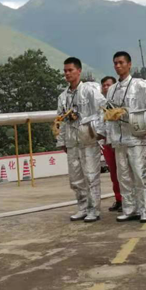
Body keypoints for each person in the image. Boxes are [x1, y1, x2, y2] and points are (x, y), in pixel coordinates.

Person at [104, 52, 146, 223]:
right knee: (124, 177)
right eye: (115, 63)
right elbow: (107, 113)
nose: (118, 66)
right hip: (119, 139)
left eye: (121, 62)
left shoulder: (140, 85)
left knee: (140, 175)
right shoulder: (112, 89)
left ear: (129, 64)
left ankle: (144, 210)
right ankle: (129, 209)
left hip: (137, 138)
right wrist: (109, 137)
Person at [56, 58, 107, 222]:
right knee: (76, 178)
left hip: (88, 140)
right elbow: (60, 120)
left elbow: (103, 109)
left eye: (70, 70)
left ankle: (94, 209)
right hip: (72, 142)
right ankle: (82, 207)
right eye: (65, 71)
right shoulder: (62, 97)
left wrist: (98, 131)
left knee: (91, 176)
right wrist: (62, 141)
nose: (67, 74)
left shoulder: (90, 91)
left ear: (79, 71)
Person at [100, 76, 123, 212]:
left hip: (120, 142)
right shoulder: (100, 105)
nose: (106, 87)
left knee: (124, 171)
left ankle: (129, 200)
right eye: (103, 85)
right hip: (107, 143)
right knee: (113, 173)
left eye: (108, 85)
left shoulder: (120, 101)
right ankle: (119, 199)